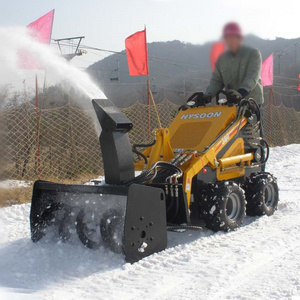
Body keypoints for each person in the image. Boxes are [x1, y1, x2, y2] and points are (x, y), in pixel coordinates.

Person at [206, 22, 263, 105]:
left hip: (251, 104)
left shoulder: (253, 54)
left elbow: (252, 76)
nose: (230, 41)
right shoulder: (221, 59)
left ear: (240, 38)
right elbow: (216, 81)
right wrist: (208, 95)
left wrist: (241, 92)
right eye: (227, 38)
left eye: (233, 37)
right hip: (232, 103)